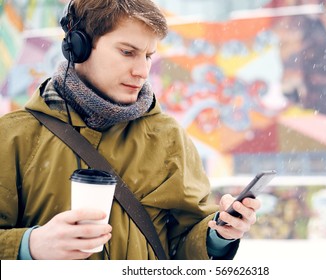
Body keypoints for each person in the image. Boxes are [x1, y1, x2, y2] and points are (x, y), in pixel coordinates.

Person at [0, 0, 260, 260]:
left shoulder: (168, 137)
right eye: (127, 52)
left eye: (148, 56)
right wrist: (29, 246)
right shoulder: (13, 136)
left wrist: (217, 235)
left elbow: (183, 245)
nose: (142, 71)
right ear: (77, 47)